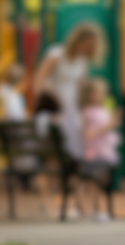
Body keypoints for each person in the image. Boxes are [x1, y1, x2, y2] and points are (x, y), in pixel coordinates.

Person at [32, 22, 102, 159]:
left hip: (71, 109)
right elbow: (38, 82)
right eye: (87, 44)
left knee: (73, 146)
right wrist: (49, 106)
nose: (88, 48)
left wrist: (85, 113)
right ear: (78, 40)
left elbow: (80, 91)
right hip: (52, 107)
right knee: (52, 144)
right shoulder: (56, 54)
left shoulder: (83, 62)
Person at [78, 77, 121, 221]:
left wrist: (113, 122)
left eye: (101, 93)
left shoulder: (104, 110)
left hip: (104, 153)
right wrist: (108, 126)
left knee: (102, 179)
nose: (99, 96)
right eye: (95, 93)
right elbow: (87, 134)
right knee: (95, 180)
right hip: (93, 154)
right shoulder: (87, 112)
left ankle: (98, 209)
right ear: (88, 94)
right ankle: (95, 209)